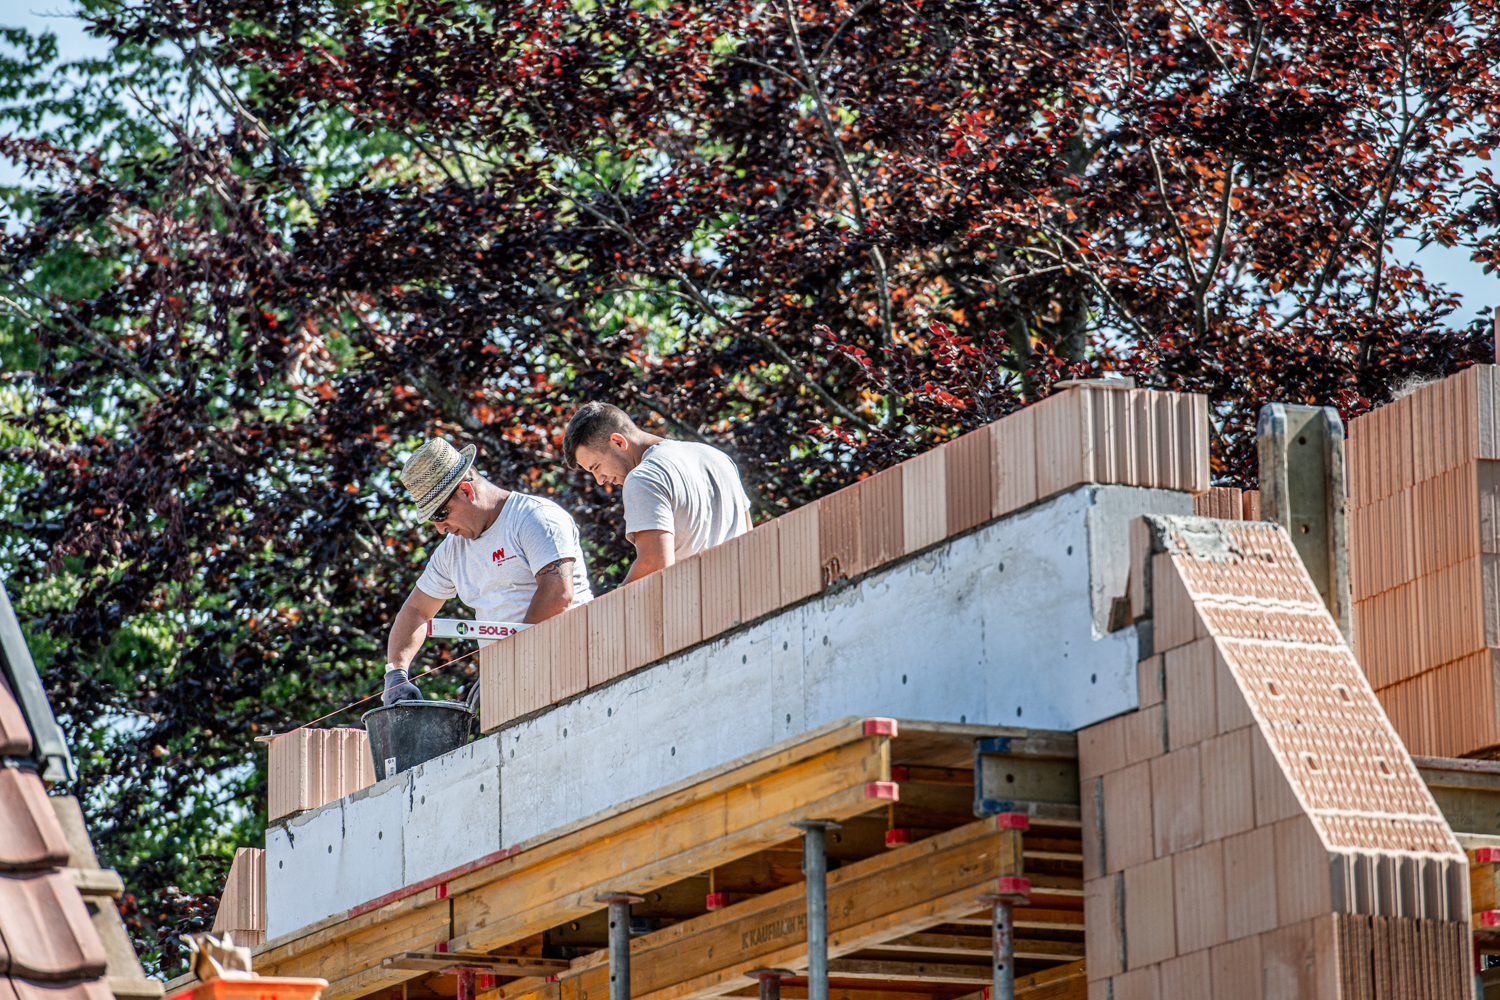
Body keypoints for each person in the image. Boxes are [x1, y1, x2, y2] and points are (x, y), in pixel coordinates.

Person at [383, 437, 593, 706]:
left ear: (467, 491)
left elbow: (558, 593)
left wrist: (511, 663)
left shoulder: (534, 518)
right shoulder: (452, 551)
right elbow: (416, 611)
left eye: (440, 514)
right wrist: (396, 673)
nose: (440, 528)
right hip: (514, 690)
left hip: (575, 672)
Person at [562, 403, 752, 584]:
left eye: (596, 467)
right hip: (747, 595)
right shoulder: (716, 457)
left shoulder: (642, 478)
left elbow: (653, 564)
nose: (600, 479)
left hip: (698, 606)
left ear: (618, 442)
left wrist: (605, 611)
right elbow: (749, 535)